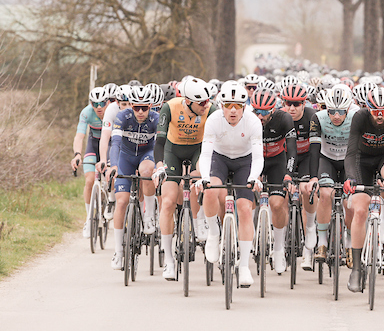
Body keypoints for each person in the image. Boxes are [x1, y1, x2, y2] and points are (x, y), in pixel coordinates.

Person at [343, 85, 384, 293]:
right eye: (375, 112)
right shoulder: (359, 118)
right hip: (362, 160)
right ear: (368, 108)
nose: (380, 116)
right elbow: (351, 152)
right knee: (360, 211)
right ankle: (355, 269)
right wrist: (352, 178)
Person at [198, 81, 264, 288]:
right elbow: (206, 153)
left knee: (244, 209)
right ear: (221, 106)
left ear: (245, 107)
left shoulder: (253, 122)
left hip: (245, 162)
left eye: (237, 106)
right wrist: (204, 178)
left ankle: (244, 265)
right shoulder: (213, 120)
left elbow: (259, 156)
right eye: (228, 105)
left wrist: (254, 177)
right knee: (210, 191)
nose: (233, 111)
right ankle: (213, 233)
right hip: (220, 159)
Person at [152, 77, 215, 280]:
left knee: (200, 177)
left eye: (207, 101)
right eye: (201, 103)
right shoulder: (170, 107)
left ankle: (199, 221)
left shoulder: (211, 110)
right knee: (168, 202)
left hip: (198, 150)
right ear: (188, 101)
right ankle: (169, 261)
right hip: (173, 151)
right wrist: (160, 165)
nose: (206, 105)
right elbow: (160, 142)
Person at [101, 84, 160, 270]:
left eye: (145, 108)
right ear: (131, 106)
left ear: (151, 106)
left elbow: (159, 145)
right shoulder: (122, 117)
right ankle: (118, 251)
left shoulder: (156, 119)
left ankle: (149, 214)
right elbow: (115, 143)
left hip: (146, 155)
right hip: (125, 156)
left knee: (147, 172)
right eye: (136, 107)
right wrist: (114, 165)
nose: (141, 112)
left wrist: (159, 165)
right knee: (122, 201)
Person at [253, 87, 297, 275]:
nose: (260, 116)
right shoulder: (247, 119)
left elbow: (292, 150)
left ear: (273, 109)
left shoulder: (284, 118)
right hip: (255, 160)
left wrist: (288, 174)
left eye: (264, 112)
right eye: (256, 111)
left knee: (277, 204)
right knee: (246, 202)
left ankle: (278, 249)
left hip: (277, 161)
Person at [313, 83, 357, 265]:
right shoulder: (318, 118)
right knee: (325, 194)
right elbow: (314, 149)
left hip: (348, 160)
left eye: (340, 112)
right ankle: (322, 243)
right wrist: (314, 176)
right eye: (332, 111)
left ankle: (349, 242)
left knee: (350, 201)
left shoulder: (356, 117)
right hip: (327, 159)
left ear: (348, 108)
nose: (336, 116)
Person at [280, 81, 321, 271]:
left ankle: (308, 244)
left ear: (304, 103)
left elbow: (315, 150)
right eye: (288, 103)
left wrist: (313, 176)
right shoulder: (279, 116)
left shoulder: (313, 117)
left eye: (297, 104)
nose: (292, 108)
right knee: (280, 197)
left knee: (306, 191)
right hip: (285, 157)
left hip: (306, 158)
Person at [73, 86, 113, 237]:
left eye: (102, 103)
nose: (98, 107)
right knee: (89, 180)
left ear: (107, 102)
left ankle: (110, 200)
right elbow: (79, 136)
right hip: (93, 143)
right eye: (94, 104)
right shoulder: (86, 113)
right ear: (90, 104)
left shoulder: (112, 111)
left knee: (111, 173)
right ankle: (89, 218)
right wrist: (77, 154)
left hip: (109, 144)